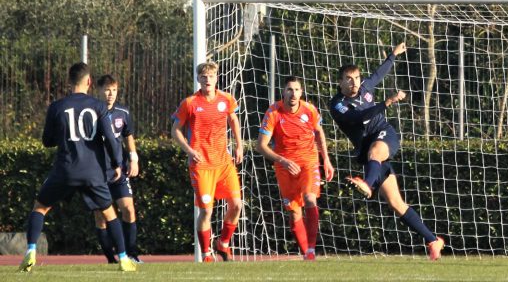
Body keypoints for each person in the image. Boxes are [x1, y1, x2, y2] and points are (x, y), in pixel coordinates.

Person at [329, 43, 445, 261]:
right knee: (395, 203)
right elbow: (357, 118)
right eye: (348, 78)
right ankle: (433, 240)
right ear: (340, 82)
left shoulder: (365, 88)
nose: (354, 82)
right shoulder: (337, 104)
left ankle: (367, 184)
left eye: (356, 77)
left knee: (375, 153)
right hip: (367, 149)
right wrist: (386, 103)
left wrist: (393, 55)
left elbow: (378, 74)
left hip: (384, 135)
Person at [18, 63, 137, 272]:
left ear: (69, 81)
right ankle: (124, 259)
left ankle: (30, 251)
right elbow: (110, 138)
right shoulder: (99, 106)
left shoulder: (57, 107)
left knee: (40, 207)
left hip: (65, 170)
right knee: (110, 214)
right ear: (89, 82)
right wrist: (118, 163)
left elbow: (47, 141)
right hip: (93, 172)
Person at [171, 61, 243, 262]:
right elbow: (175, 130)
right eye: (203, 77)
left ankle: (223, 244)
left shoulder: (226, 99)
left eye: (211, 76)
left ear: (216, 78)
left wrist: (239, 145)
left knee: (236, 205)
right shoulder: (190, 103)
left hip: (224, 163)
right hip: (201, 165)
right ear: (198, 79)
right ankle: (206, 253)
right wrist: (189, 150)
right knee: (206, 210)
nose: (207, 80)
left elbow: (233, 120)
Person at [256, 76, 335, 260]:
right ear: (283, 92)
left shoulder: (310, 110)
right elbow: (261, 145)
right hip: (285, 167)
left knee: (309, 198)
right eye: (289, 89)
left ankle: (311, 251)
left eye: (297, 90)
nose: (293, 94)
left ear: (301, 92)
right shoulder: (273, 112)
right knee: (294, 211)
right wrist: (283, 161)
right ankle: (305, 252)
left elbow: (318, 132)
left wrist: (326, 160)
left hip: (309, 162)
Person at [93, 75, 141, 264]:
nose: (110, 94)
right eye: (106, 89)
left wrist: (133, 159)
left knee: (128, 209)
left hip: (119, 170)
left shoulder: (123, 112)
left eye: (113, 89)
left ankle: (132, 255)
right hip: (97, 171)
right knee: (101, 216)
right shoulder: (92, 113)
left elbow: (128, 136)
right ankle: (111, 259)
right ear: (98, 91)